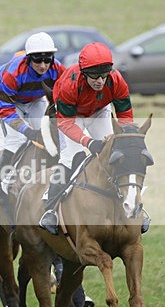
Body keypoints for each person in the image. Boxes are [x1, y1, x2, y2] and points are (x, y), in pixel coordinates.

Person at [39, 41, 141, 234]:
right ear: (83, 72)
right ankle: (50, 209)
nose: (100, 81)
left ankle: (133, 205)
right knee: (71, 157)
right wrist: (88, 142)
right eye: (94, 76)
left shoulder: (116, 81)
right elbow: (66, 124)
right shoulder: (69, 84)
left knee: (118, 153)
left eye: (104, 75)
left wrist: (127, 140)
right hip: (71, 116)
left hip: (99, 111)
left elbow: (125, 117)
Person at [0, 32, 65, 206]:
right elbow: (5, 110)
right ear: (29, 58)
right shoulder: (13, 73)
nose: (43, 65)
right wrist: (28, 131)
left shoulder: (58, 69)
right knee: (15, 140)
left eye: (48, 59)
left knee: (46, 134)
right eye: (38, 60)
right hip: (1, 99)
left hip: (34, 99)